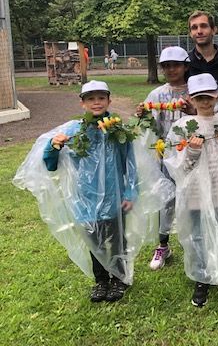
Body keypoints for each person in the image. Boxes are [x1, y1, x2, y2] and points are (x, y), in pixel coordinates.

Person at [13, 80, 173, 303]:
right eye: (90, 98)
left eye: (101, 98)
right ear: (82, 103)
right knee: (94, 242)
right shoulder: (73, 131)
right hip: (85, 199)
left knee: (117, 241)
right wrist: (54, 145)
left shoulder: (118, 130)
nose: (96, 103)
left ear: (109, 100)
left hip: (114, 196)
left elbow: (130, 164)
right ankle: (101, 281)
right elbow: (50, 163)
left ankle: (119, 278)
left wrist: (129, 193)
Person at [164, 73, 218, 307]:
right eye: (199, 98)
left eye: (209, 97)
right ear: (191, 100)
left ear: (217, 96)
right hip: (196, 194)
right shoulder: (182, 126)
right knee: (199, 236)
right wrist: (192, 152)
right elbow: (177, 166)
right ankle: (202, 278)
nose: (205, 102)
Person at [139, 46, 193, 271]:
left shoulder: (194, 89)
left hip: (191, 155)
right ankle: (163, 244)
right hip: (165, 156)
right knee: (166, 200)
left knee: (193, 198)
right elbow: (150, 124)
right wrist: (141, 116)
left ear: (185, 66)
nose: (171, 69)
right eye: (166, 66)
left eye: (176, 65)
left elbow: (207, 114)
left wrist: (192, 111)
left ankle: (194, 242)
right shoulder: (157, 94)